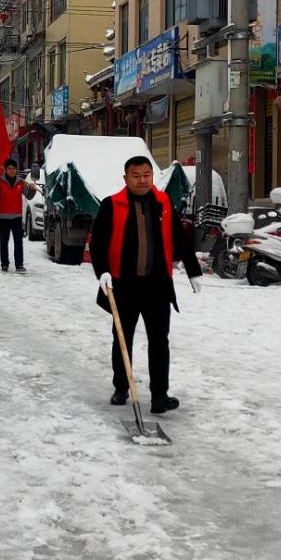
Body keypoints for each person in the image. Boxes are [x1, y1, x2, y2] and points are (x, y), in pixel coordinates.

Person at [90, 155, 202, 414]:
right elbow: (98, 243)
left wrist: (193, 271)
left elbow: (179, 237)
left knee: (159, 340)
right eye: (136, 176)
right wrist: (102, 272)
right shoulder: (112, 205)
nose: (142, 180)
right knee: (121, 338)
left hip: (158, 286)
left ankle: (160, 395)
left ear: (152, 176)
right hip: (123, 286)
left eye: (146, 175)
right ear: (126, 178)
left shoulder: (163, 203)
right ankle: (121, 386)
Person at [0, 158, 36, 273]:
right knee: (4, 241)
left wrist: (32, 190)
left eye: (14, 169)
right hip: (3, 217)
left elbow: (29, 196)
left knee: (18, 242)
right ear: (6, 170)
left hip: (17, 217)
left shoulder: (21, 182)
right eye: (10, 169)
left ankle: (19, 264)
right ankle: (4, 264)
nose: (12, 171)